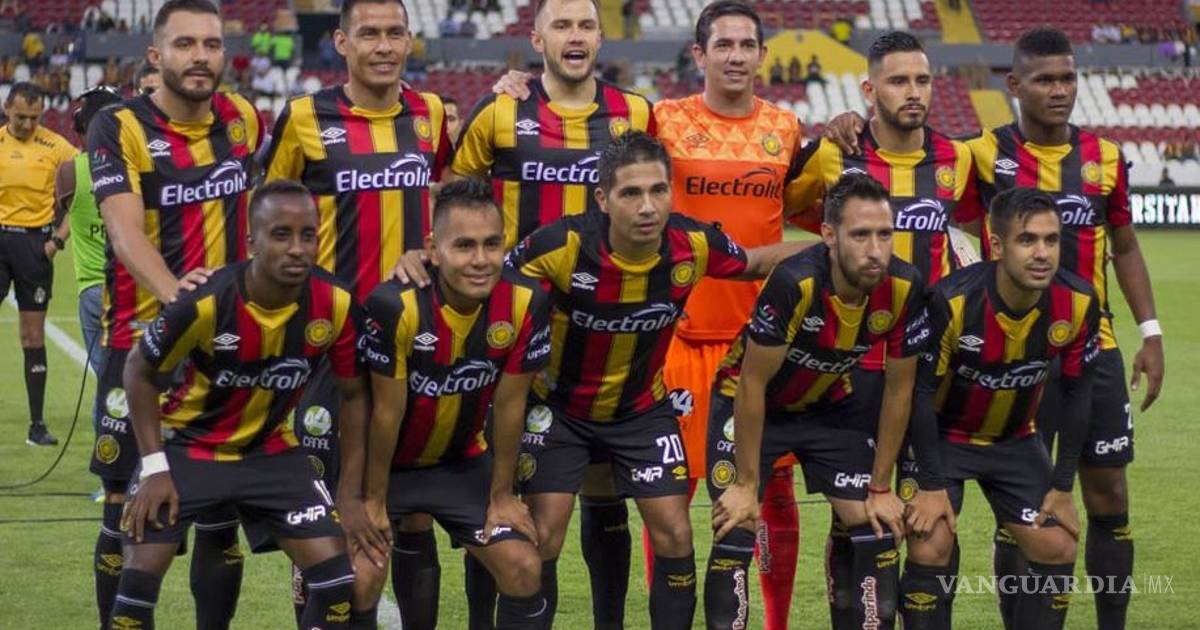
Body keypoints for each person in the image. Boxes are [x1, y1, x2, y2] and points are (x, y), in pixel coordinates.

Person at [392, 131, 807, 629]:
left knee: (676, 534)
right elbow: (484, 274)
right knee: (542, 535)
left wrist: (829, 248)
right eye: (631, 193)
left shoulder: (692, 244)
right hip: (559, 410)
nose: (647, 206)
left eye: (658, 190)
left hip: (642, 411)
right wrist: (422, 259)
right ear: (603, 199)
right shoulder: (561, 245)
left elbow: (754, 262)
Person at [453, 0, 656, 624]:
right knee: (498, 495)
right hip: (509, 333)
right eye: (561, 25)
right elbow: (456, 200)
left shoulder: (634, 112)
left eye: (586, 25)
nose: (575, 35)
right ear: (537, 39)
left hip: (600, 334)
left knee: (602, 486)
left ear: (600, 37)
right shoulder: (500, 109)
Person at [960, 30, 1162, 629]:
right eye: (1045, 79)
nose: (1059, 90)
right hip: (1010, 359)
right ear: (1014, 85)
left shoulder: (1105, 158)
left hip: (1094, 351)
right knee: (1020, 507)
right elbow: (921, 176)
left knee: (1109, 496)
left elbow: (1125, 245)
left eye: (1068, 78)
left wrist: (1150, 331)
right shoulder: (982, 154)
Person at [262, 0, 453, 623]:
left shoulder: (429, 114)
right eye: (369, 34)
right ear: (342, 42)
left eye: (395, 33)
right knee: (325, 518)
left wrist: (431, 247)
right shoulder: (303, 117)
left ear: (410, 40)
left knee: (413, 511)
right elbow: (265, 215)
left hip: (413, 341)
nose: (384, 46)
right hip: (328, 349)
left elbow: (450, 198)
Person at [109, 180, 371, 630]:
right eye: (281, 234)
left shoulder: (336, 303)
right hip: (188, 449)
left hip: (271, 453)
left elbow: (354, 394)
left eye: (308, 235)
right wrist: (153, 467)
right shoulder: (205, 301)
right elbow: (138, 371)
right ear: (252, 242)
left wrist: (348, 493)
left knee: (337, 582)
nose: (297, 249)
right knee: (135, 593)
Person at [786, 31, 977, 626]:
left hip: (927, 374)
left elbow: (994, 225)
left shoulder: (957, 159)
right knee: (859, 525)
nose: (913, 92)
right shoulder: (833, 155)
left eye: (922, 80)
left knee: (931, 528)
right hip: (851, 372)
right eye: (898, 81)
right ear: (870, 90)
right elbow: (791, 209)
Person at [86, 1, 264, 627]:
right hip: (140, 345)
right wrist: (180, 301)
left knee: (219, 515)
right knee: (125, 507)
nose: (200, 57)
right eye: (185, 44)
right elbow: (124, 231)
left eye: (212, 45)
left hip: (223, 351)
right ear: (156, 55)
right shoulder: (118, 126)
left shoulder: (241, 119)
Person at [706, 173, 925, 630]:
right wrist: (745, 484)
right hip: (751, 405)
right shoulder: (795, 281)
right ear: (828, 234)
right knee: (736, 525)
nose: (875, 250)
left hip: (827, 404)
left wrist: (880, 487)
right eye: (860, 235)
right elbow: (751, 383)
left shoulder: (904, 286)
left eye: (884, 234)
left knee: (876, 528)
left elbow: (899, 388)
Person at [652, 3, 805, 627]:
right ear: (699, 54)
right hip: (679, 340)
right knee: (670, 495)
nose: (736, 55)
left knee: (772, 491)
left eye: (747, 45)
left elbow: (813, 210)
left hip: (760, 344)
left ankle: (775, 623)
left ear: (762, 55)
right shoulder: (664, 120)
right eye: (723, 44)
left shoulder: (786, 128)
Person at [899, 187, 1101, 630]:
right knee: (930, 543)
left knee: (1058, 544)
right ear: (996, 244)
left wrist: (1062, 486)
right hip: (944, 440)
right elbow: (919, 395)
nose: (1042, 253)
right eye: (1027, 240)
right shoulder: (952, 301)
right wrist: (930, 483)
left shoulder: (1079, 302)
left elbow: (1078, 394)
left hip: (1015, 441)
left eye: (1051, 240)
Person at [355, 179, 551, 629]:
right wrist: (373, 500)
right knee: (361, 576)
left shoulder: (525, 301)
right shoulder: (395, 305)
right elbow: (385, 415)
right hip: (387, 470)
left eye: (491, 244)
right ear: (433, 249)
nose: (480, 260)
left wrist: (502, 496)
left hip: (459, 464)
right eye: (464, 245)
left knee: (523, 566)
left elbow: (510, 405)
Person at [0, 82, 77, 446]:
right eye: (21, 117)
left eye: (34, 118)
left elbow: (85, 193)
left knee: (33, 335)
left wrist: (58, 240)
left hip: (35, 246)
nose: (28, 124)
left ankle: (37, 426)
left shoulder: (58, 147)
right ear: (6, 109)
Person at [55, 85, 122, 391]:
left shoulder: (70, 173)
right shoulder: (139, 166)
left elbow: (66, 205)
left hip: (93, 286)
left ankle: (108, 424)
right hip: (135, 287)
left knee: (107, 380)